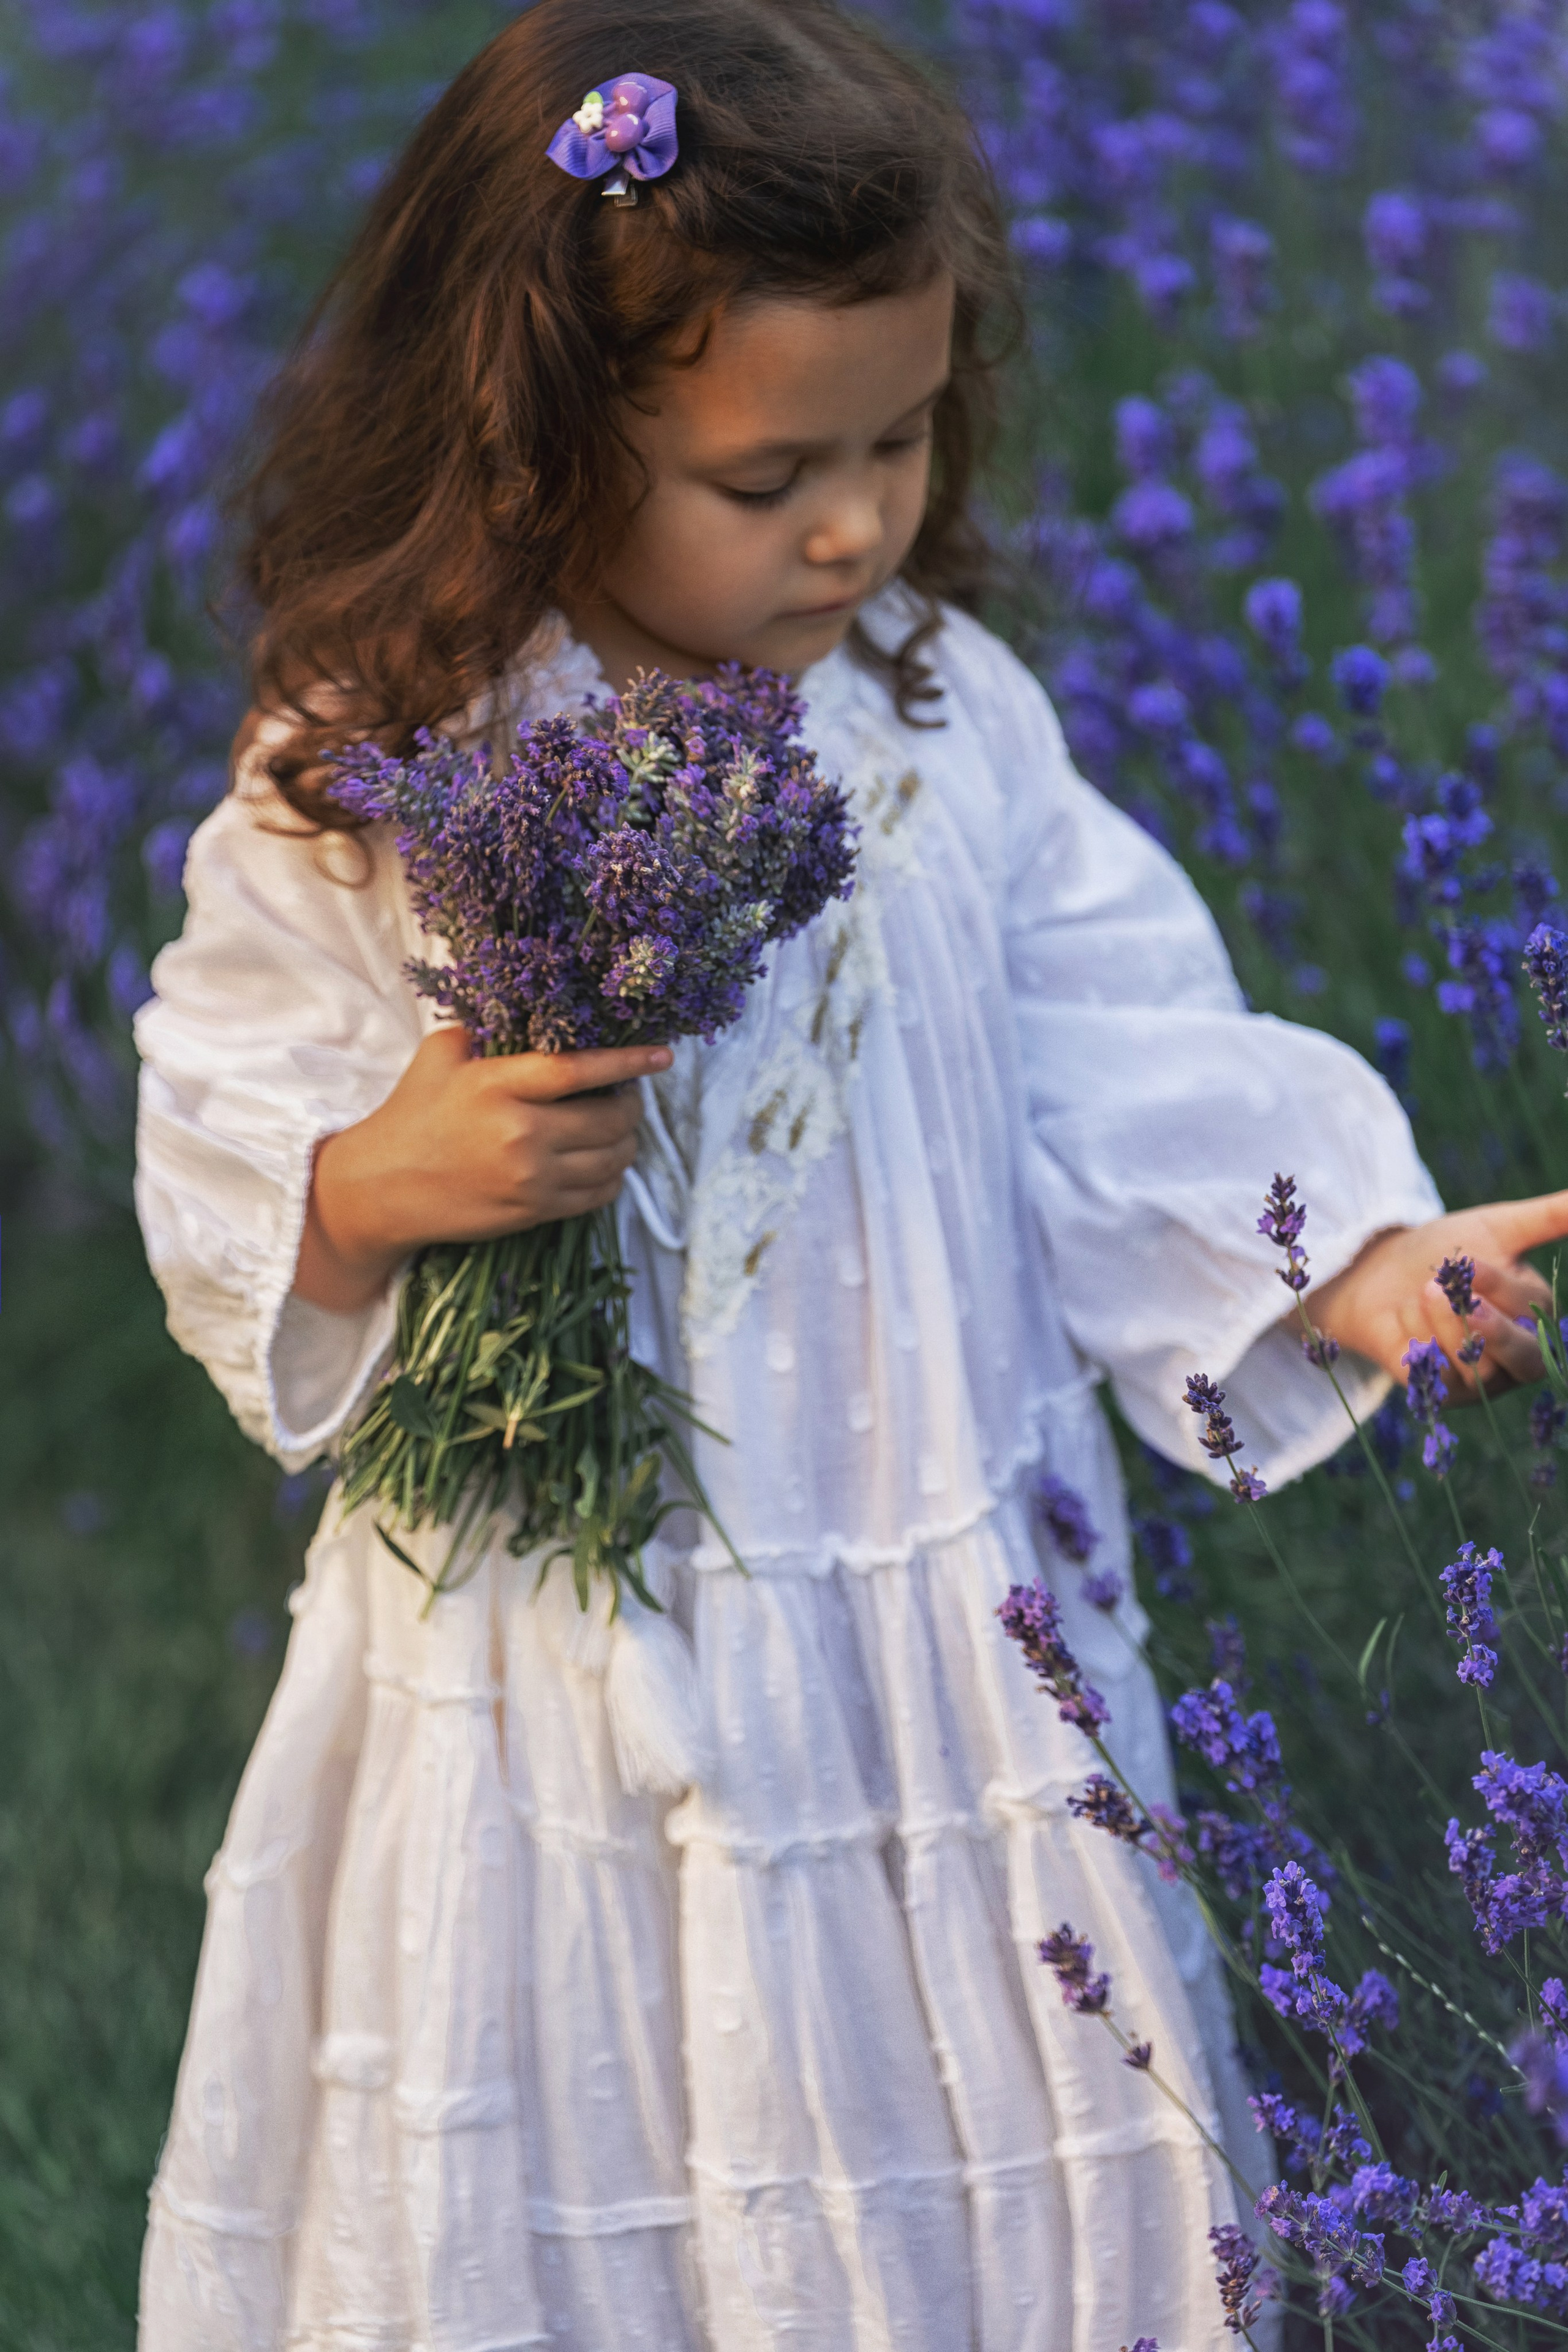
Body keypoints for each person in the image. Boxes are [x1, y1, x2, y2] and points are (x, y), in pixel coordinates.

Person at [131, 4, 1568, 2347]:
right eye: (768, 469)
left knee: (957, 2115)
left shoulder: (932, 722)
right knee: (575, 2090)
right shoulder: (386, 767)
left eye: (902, 440)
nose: (857, 520)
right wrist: (385, 1173)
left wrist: (1353, 1260)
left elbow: (1109, 1060)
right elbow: (227, 1093)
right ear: (536, 446)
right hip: (558, 1636)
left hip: (929, 1620)